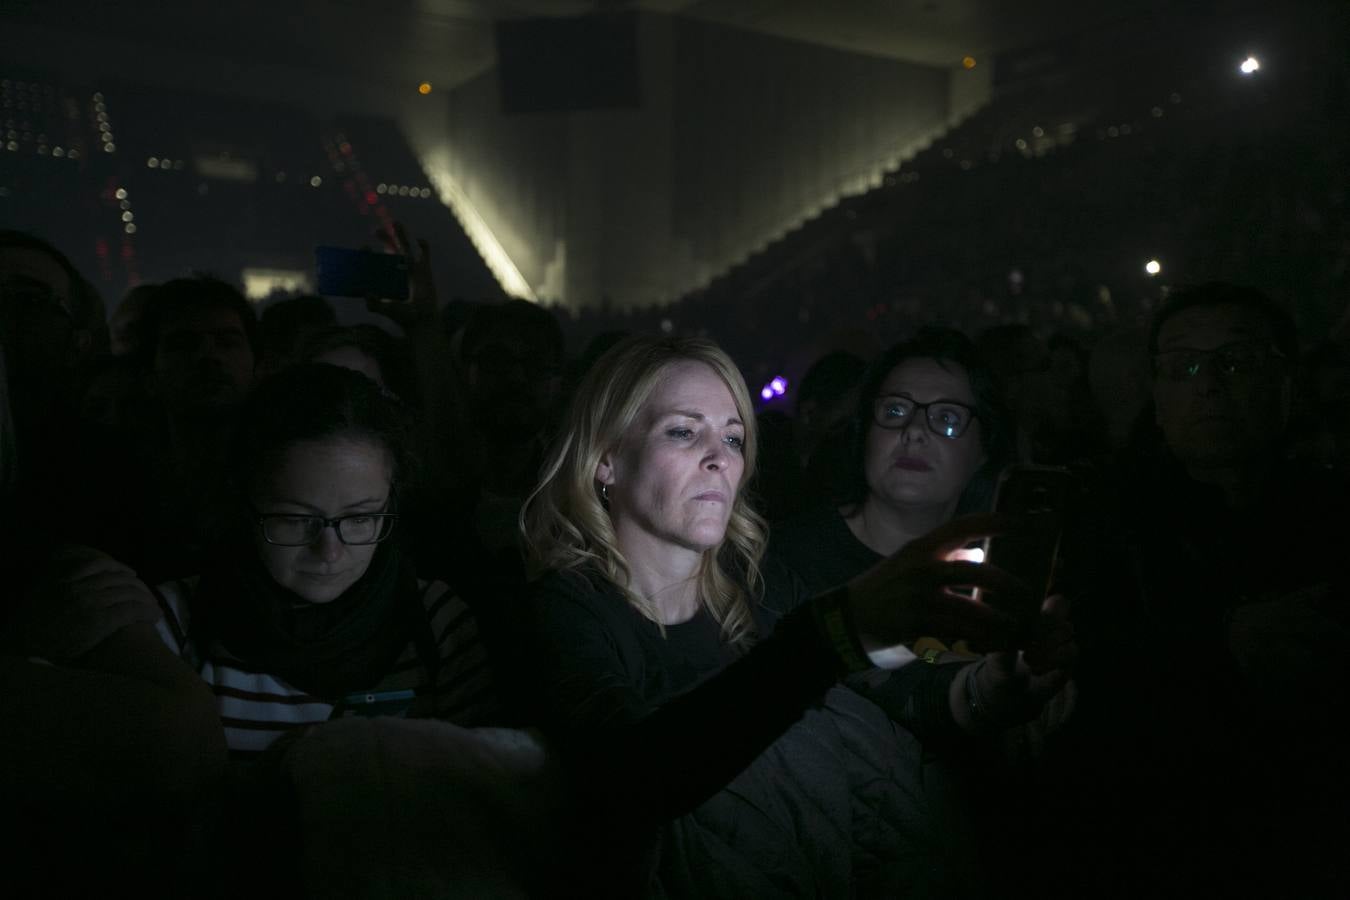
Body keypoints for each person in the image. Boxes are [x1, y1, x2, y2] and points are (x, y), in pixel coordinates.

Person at [517, 335, 1070, 897]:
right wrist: (831, 634)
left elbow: (887, 691)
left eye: (733, 438)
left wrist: (989, 688)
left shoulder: (758, 584)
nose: (719, 458)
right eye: (683, 432)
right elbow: (626, 781)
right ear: (606, 459)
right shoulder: (568, 608)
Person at [153, 363, 496, 757]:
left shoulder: (437, 621)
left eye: (360, 518)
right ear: (245, 503)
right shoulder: (175, 623)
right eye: (296, 520)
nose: (330, 552)